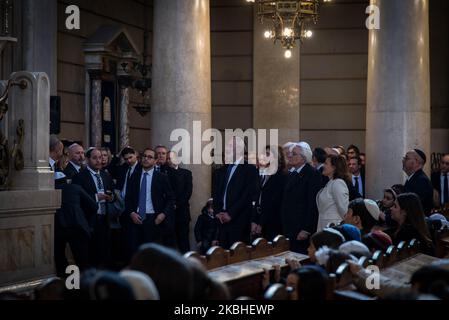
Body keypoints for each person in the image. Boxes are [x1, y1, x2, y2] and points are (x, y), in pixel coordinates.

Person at [123, 148, 175, 257]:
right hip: (136, 219)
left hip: (154, 219)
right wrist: (132, 213)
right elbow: (128, 198)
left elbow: (171, 199)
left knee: (153, 254)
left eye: (150, 157)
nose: (146, 159)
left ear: (156, 161)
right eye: (144, 156)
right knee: (136, 253)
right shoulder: (135, 176)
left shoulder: (161, 177)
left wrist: (163, 214)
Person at [212, 137, 259, 249]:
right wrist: (217, 212)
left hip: (239, 221)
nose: (226, 149)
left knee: (237, 257)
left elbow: (247, 196)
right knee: (222, 256)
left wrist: (231, 213)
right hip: (221, 220)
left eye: (230, 147)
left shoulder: (250, 170)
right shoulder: (222, 170)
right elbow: (216, 194)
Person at [72, 148, 115, 267]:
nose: (98, 160)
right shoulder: (79, 177)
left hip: (104, 219)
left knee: (104, 253)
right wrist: (96, 197)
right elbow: (77, 199)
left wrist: (111, 198)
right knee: (89, 254)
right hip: (88, 220)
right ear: (87, 159)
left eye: (100, 157)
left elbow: (112, 193)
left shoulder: (106, 175)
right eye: (94, 158)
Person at [281, 142, 323, 253]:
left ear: (304, 158)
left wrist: (306, 229)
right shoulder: (291, 174)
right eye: (290, 154)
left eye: (294, 154)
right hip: (289, 226)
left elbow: (312, 203)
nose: (290, 156)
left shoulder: (312, 174)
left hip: (301, 227)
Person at [54, 183, 97, 276]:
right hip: (78, 225)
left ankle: (66, 284)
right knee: (82, 259)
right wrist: (82, 216)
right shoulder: (76, 187)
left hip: (59, 227)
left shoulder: (50, 190)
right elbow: (94, 206)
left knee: (59, 257)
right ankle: (83, 285)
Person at [251, 146, 287, 241]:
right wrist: (254, 221)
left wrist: (262, 223)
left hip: (273, 222)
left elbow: (273, 202)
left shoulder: (281, 176)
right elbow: (257, 198)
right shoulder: (262, 174)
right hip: (259, 219)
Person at [167, 151, 193, 253]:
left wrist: (176, 205)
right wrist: (171, 205)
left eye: (171, 158)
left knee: (184, 242)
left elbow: (188, 192)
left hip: (182, 213)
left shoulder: (186, 173)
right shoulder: (163, 173)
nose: (169, 160)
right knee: (170, 243)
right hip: (168, 214)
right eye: (168, 158)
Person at [316, 154, 350, 231]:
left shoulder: (338, 183)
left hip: (334, 228)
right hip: (325, 227)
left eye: (325, 163)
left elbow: (344, 210)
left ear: (334, 167)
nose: (323, 166)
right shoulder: (331, 182)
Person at [402, 149, 434, 216]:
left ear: (416, 162)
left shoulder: (422, 181)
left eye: (406, 158)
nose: (403, 160)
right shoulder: (413, 178)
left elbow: (412, 207)